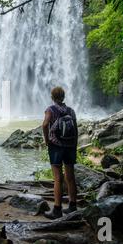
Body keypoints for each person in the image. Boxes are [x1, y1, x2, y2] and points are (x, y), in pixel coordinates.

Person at [42, 87, 78, 219]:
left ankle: (57, 209)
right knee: (70, 176)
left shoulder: (50, 110)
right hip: (70, 146)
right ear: (64, 97)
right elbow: (76, 129)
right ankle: (73, 205)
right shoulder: (71, 111)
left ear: (52, 97)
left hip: (56, 146)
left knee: (57, 178)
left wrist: (47, 140)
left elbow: (45, 125)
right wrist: (74, 144)